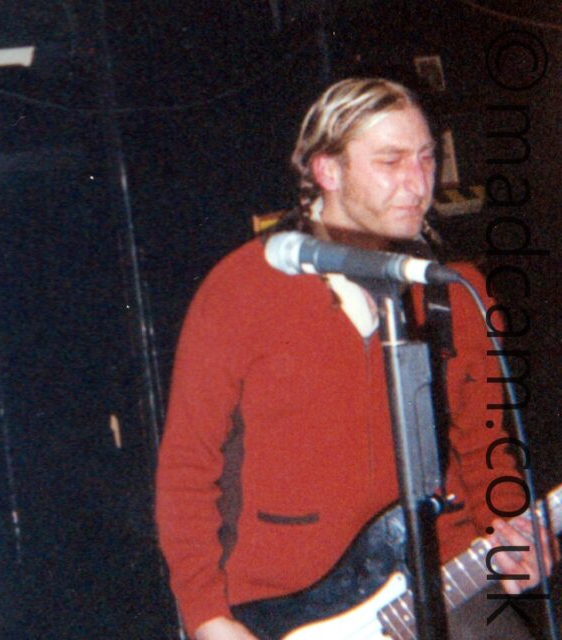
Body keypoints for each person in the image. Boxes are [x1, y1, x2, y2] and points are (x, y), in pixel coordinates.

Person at [154, 78, 553, 640]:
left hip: (444, 575)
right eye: (390, 161)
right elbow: (186, 471)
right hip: (288, 606)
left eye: (426, 158)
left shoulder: (455, 292)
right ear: (328, 171)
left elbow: (487, 444)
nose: (418, 183)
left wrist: (513, 528)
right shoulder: (241, 289)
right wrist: (206, 616)